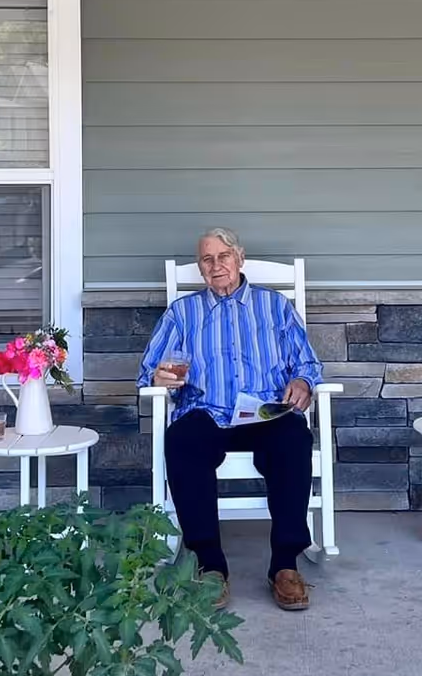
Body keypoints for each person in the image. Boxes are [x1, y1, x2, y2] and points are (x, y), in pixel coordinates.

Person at [139, 227, 325, 613]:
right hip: (207, 411)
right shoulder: (183, 313)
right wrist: (160, 378)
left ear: (239, 259)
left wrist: (303, 381)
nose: (216, 265)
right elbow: (148, 372)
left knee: (294, 438)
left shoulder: (274, 307)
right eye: (207, 260)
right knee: (181, 441)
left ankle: (285, 564)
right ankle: (210, 564)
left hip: (264, 410)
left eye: (223, 256)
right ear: (200, 268)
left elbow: (307, 362)